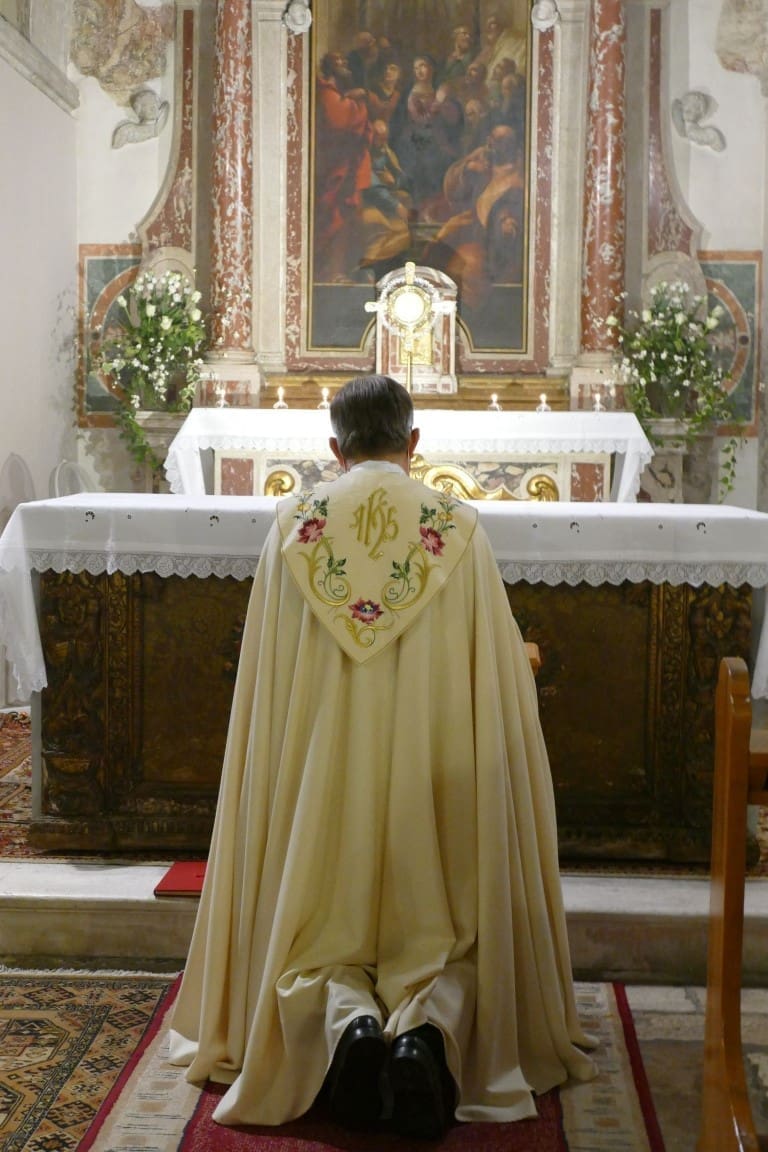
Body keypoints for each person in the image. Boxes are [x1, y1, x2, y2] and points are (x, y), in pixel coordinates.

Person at [168, 375, 597, 1138]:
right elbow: (496, 675)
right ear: (414, 442)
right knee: (440, 926)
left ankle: (348, 1027)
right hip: (431, 777)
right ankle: (427, 1032)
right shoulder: (457, 529)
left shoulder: (294, 526)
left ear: (334, 448)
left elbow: (266, 683)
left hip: (321, 782)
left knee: (318, 926)